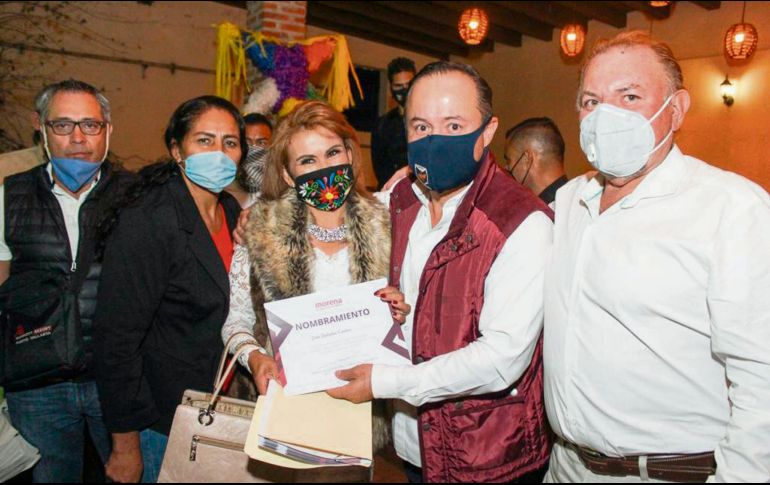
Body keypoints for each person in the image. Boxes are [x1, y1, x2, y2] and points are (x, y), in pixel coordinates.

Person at [544, 30, 770, 483]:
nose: (605, 115)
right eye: (591, 102)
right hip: (566, 466)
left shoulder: (731, 208)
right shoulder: (569, 201)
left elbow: (761, 374)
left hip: (669, 473)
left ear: (677, 108)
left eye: (629, 96)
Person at [328, 61, 554, 483]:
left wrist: (385, 383)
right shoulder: (401, 198)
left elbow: (501, 359)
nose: (435, 141)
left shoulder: (521, 222)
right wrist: (257, 217)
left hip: (487, 457)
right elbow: (329, 222)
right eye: (421, 127)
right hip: (415, 446)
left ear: (487, 131)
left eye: (453, 126)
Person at [221, 100, 408, 457]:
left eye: (333, 153)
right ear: (287, 174)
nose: (324, 169)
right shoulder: (259, 230)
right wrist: (255, 358)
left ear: (350, 154)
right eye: (308, 161)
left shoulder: (390, 223)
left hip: (362, 412)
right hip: (287, 406)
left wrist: (401, 311)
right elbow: (236, 321)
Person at [93, 95, 244, 483]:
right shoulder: (150, 219)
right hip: (159, 421)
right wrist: (125, 445)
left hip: (214, 408)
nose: (219, 153)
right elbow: (116, 340)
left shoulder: (230, 212)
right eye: (204, 140)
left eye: (229, 142)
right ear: (177, 150)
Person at [0, 79, 130, 482]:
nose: (77, 138)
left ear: (108, 130)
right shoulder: (9, 197)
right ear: (41, 128)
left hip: (116, 379)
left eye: (90, 125)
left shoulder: (136, 197)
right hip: (37, 383)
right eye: (62, 125)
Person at [370, 57, 416, 189]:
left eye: (409, 84)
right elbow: (380, 170)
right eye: (398, 86)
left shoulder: (431, 120)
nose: (404, 89)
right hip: (392, 191)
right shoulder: (382, 125)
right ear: (391, 88)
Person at [504, 117, 568, 204]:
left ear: (527, 159)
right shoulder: (577, 199)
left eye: (508, 161)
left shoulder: (546, 210)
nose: (506, 168)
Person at [226, 113, 273, 207]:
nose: (253, 148)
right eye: (247, 142)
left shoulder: (280, 189)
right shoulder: (223, 189)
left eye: (262, 143)